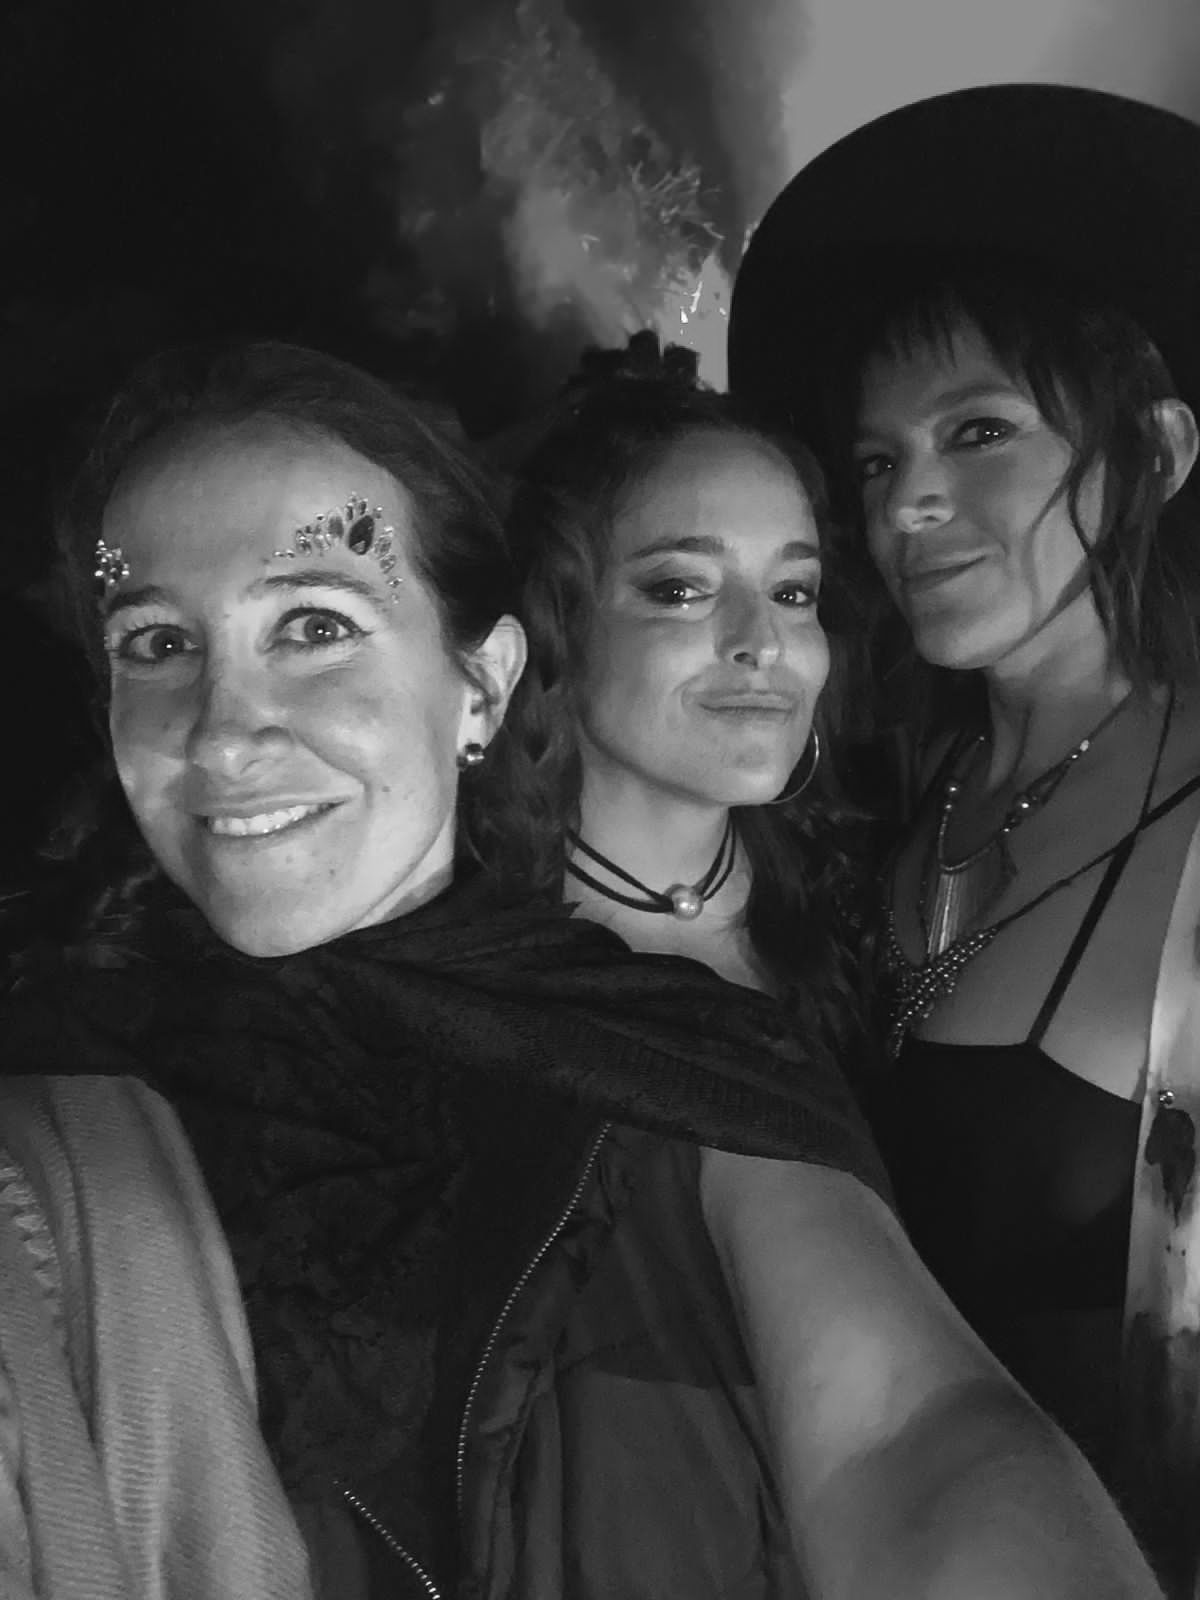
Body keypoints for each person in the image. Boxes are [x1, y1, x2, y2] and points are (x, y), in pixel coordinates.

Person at [0, 338, 1157, 1600]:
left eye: (315, 624)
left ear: (482, 683)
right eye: (157, 644)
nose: (225, 734)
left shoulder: (710, 1016)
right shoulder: (63, 1080)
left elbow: (911, 1432)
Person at [729, 83, 1200, 1596]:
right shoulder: (867, 797)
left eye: (979, 432)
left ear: (1155, 453)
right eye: (875, 463)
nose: (909, 502)